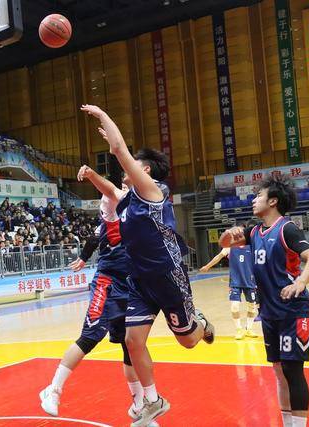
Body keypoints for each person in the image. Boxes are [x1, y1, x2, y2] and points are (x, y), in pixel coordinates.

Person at [82, 105, 214, 427]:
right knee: (132, 341)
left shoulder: (153, 191)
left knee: (188, 341)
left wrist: (102, 114)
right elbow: (110, 190)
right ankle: (154, 401)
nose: (125, 169)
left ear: (145, 170)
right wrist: (91, 174)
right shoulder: (128, 198)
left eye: (133, 164)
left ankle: (200, 322)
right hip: (140, 280)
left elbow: (118, 149)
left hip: (167, 277)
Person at [41, 165, 145, 421]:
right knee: (91, 335)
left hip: (130, 284)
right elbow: (108, 190)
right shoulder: (116, 199)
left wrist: (83, 257)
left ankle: (139, 405)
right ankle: (53, 389)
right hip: (108, 282)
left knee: (130, 346)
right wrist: (90, 175)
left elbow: (95, 237)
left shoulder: (141, 206)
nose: (126, 181)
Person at [219, 175, 309, 427]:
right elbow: (224, 243)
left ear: (273, 201)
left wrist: (300, 282)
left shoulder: (287, 229)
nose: (253, 200)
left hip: (294, 312)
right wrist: (228, 234)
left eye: (258, 196)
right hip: (270, 314)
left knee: (292, 371)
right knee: (278, 371)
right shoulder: (254, 232)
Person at [199, 237, 258, 340]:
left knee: (252, 306)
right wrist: (207, 266)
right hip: (235, 281)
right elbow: (219, 256)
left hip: (250, 281)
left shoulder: (252, 246)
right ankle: (239, 330)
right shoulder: (230, 246)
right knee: (234, 306)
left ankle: (249, 329)